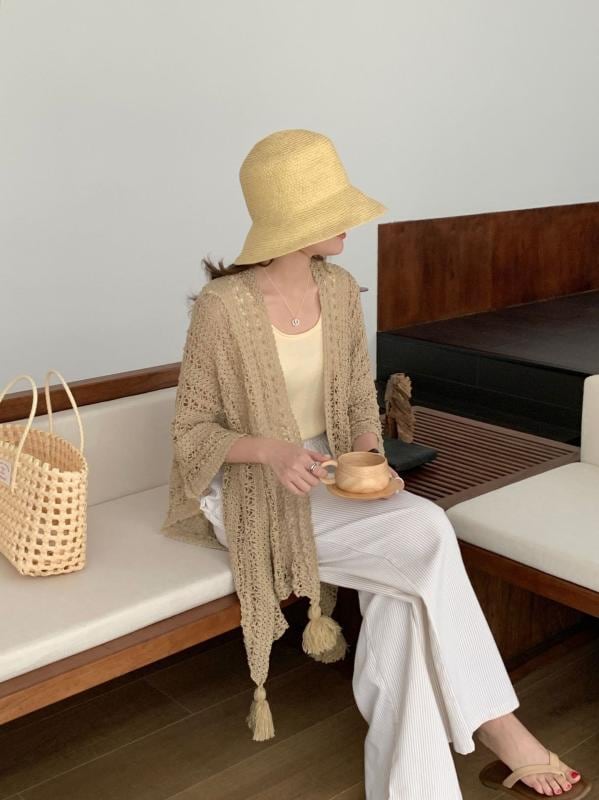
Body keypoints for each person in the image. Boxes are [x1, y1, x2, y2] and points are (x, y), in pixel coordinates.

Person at [161, 129, 589, 799]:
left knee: (401, 595)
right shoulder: (223, 309)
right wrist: (272, 451)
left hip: (333, 480)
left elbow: (361, 398)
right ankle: (502, 729)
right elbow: (191, 434)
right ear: (292, 222)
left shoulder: (337, 290)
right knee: (426, 531)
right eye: (331, 208)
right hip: (250, 490)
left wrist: (368, 454)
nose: (349, 221)